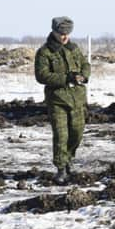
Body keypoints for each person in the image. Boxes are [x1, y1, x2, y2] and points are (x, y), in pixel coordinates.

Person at [35, 17, 90, 184]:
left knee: (77, 133)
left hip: (77, 99)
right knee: (61, 135)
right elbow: (42, 75)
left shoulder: (74, 49)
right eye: (61, 33)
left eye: (67, 33)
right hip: (57, 100)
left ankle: (68, 159)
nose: (64, 37)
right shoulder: (45, 52)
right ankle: (61, 168)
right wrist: (66, 78)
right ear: (54, 31)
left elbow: (85, 64)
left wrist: (84, 76)